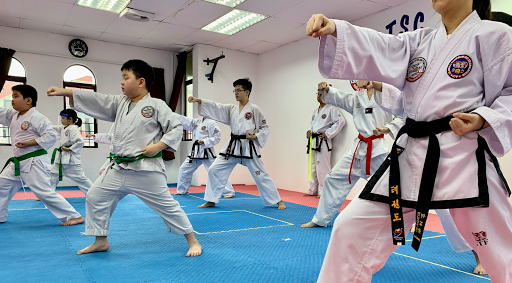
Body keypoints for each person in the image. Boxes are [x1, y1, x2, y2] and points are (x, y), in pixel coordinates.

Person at [306, 0, 512, 281]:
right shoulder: (421, 40)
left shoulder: (496, 35)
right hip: (411, 157)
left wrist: (483, 117)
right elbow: (383, 48)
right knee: (350, 229)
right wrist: (338, 31)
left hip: (462, 158)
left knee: (503, 254)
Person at [47, 59, 202, 257]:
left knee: (167, 206)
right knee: (94, 196)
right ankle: (100, 240)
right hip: (118, 168)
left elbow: (176, 127)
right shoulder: (121, 103)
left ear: (141, 81)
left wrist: (159, 146)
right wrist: (66, 92)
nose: (121, 82)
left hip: (146, 170)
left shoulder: (156, 105)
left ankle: (193, 241)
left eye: (125, 77)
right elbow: (99, 99)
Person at [301, 81, 402, 228]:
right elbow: (340, 98)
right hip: (357, 149)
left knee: (389, 185)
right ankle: (320, 219)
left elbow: (402, 115)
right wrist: (327, 89)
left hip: (378, 151)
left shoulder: (386, 96)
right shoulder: (356, 98)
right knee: (332, 178)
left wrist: (387, 128)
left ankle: (401, 221)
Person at [188, 78, 286, 210]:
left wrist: (255, 136)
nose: (236, 93)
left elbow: (265, 127)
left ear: (247, 92)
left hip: (249, 147)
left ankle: (277, 200)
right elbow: (217, 107)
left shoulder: (254, 109)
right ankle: (211, 200)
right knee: (214, 169)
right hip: (233, 146)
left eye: (239, 90)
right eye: (234, 90)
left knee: (260, 174)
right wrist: (199, 101)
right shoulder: (231, 109)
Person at [0, 84, 84, 226]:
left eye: (16, 96)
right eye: (12, 97)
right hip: (18, 163)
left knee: (44, 192)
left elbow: (50, 135)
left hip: (34, 162)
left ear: (28, 100)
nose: (12, 100)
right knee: (2, 185)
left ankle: (73, 216)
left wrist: (30, 142)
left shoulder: (37, 117)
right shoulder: (13, 116)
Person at [175, 114, 235, 198]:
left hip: (207, 151)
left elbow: (217, 137)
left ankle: (228, 191)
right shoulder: (197, 122)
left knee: (215, 171)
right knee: (184, 169)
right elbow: (185, 120)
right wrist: (171, 114)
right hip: (196, 151)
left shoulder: (212, 122)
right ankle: (182, 190)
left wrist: (204, 141)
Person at [305, 86, 345, 198]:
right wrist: (309, 131)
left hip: (323, 141)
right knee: (311, 166)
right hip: (313, 140)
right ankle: (312, 190)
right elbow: (312, 125)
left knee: (322, 167)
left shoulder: (331, 108)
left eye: (321, 94)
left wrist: (328, 133)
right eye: (317, 94)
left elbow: (341, 121)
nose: (318, 96)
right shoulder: (315, 111)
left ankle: (323, 191)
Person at [49, 109, 92, 195]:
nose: (61, 120)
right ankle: (47, 194)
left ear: (70, 119)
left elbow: (80, 142)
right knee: (52, 175)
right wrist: (43, 125)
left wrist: (70, 149)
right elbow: (54, 127)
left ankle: (94, 194)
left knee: (80, 178)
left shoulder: (73, 129)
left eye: (63, 118)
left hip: (71, 160)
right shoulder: (65, 128)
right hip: (61, 159)